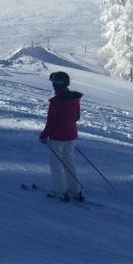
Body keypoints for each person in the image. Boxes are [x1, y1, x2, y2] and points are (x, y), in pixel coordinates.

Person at [39, 71, 84, 202]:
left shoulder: (56, 102)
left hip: (58, 137)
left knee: (56, 164)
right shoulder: (74, 98)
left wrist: (44, 135)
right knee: (69, 162)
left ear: (56, 84)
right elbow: (77, 117)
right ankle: (75, 191)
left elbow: (51, 122)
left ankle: (59, 192)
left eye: (53, 82)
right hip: (72, 135)